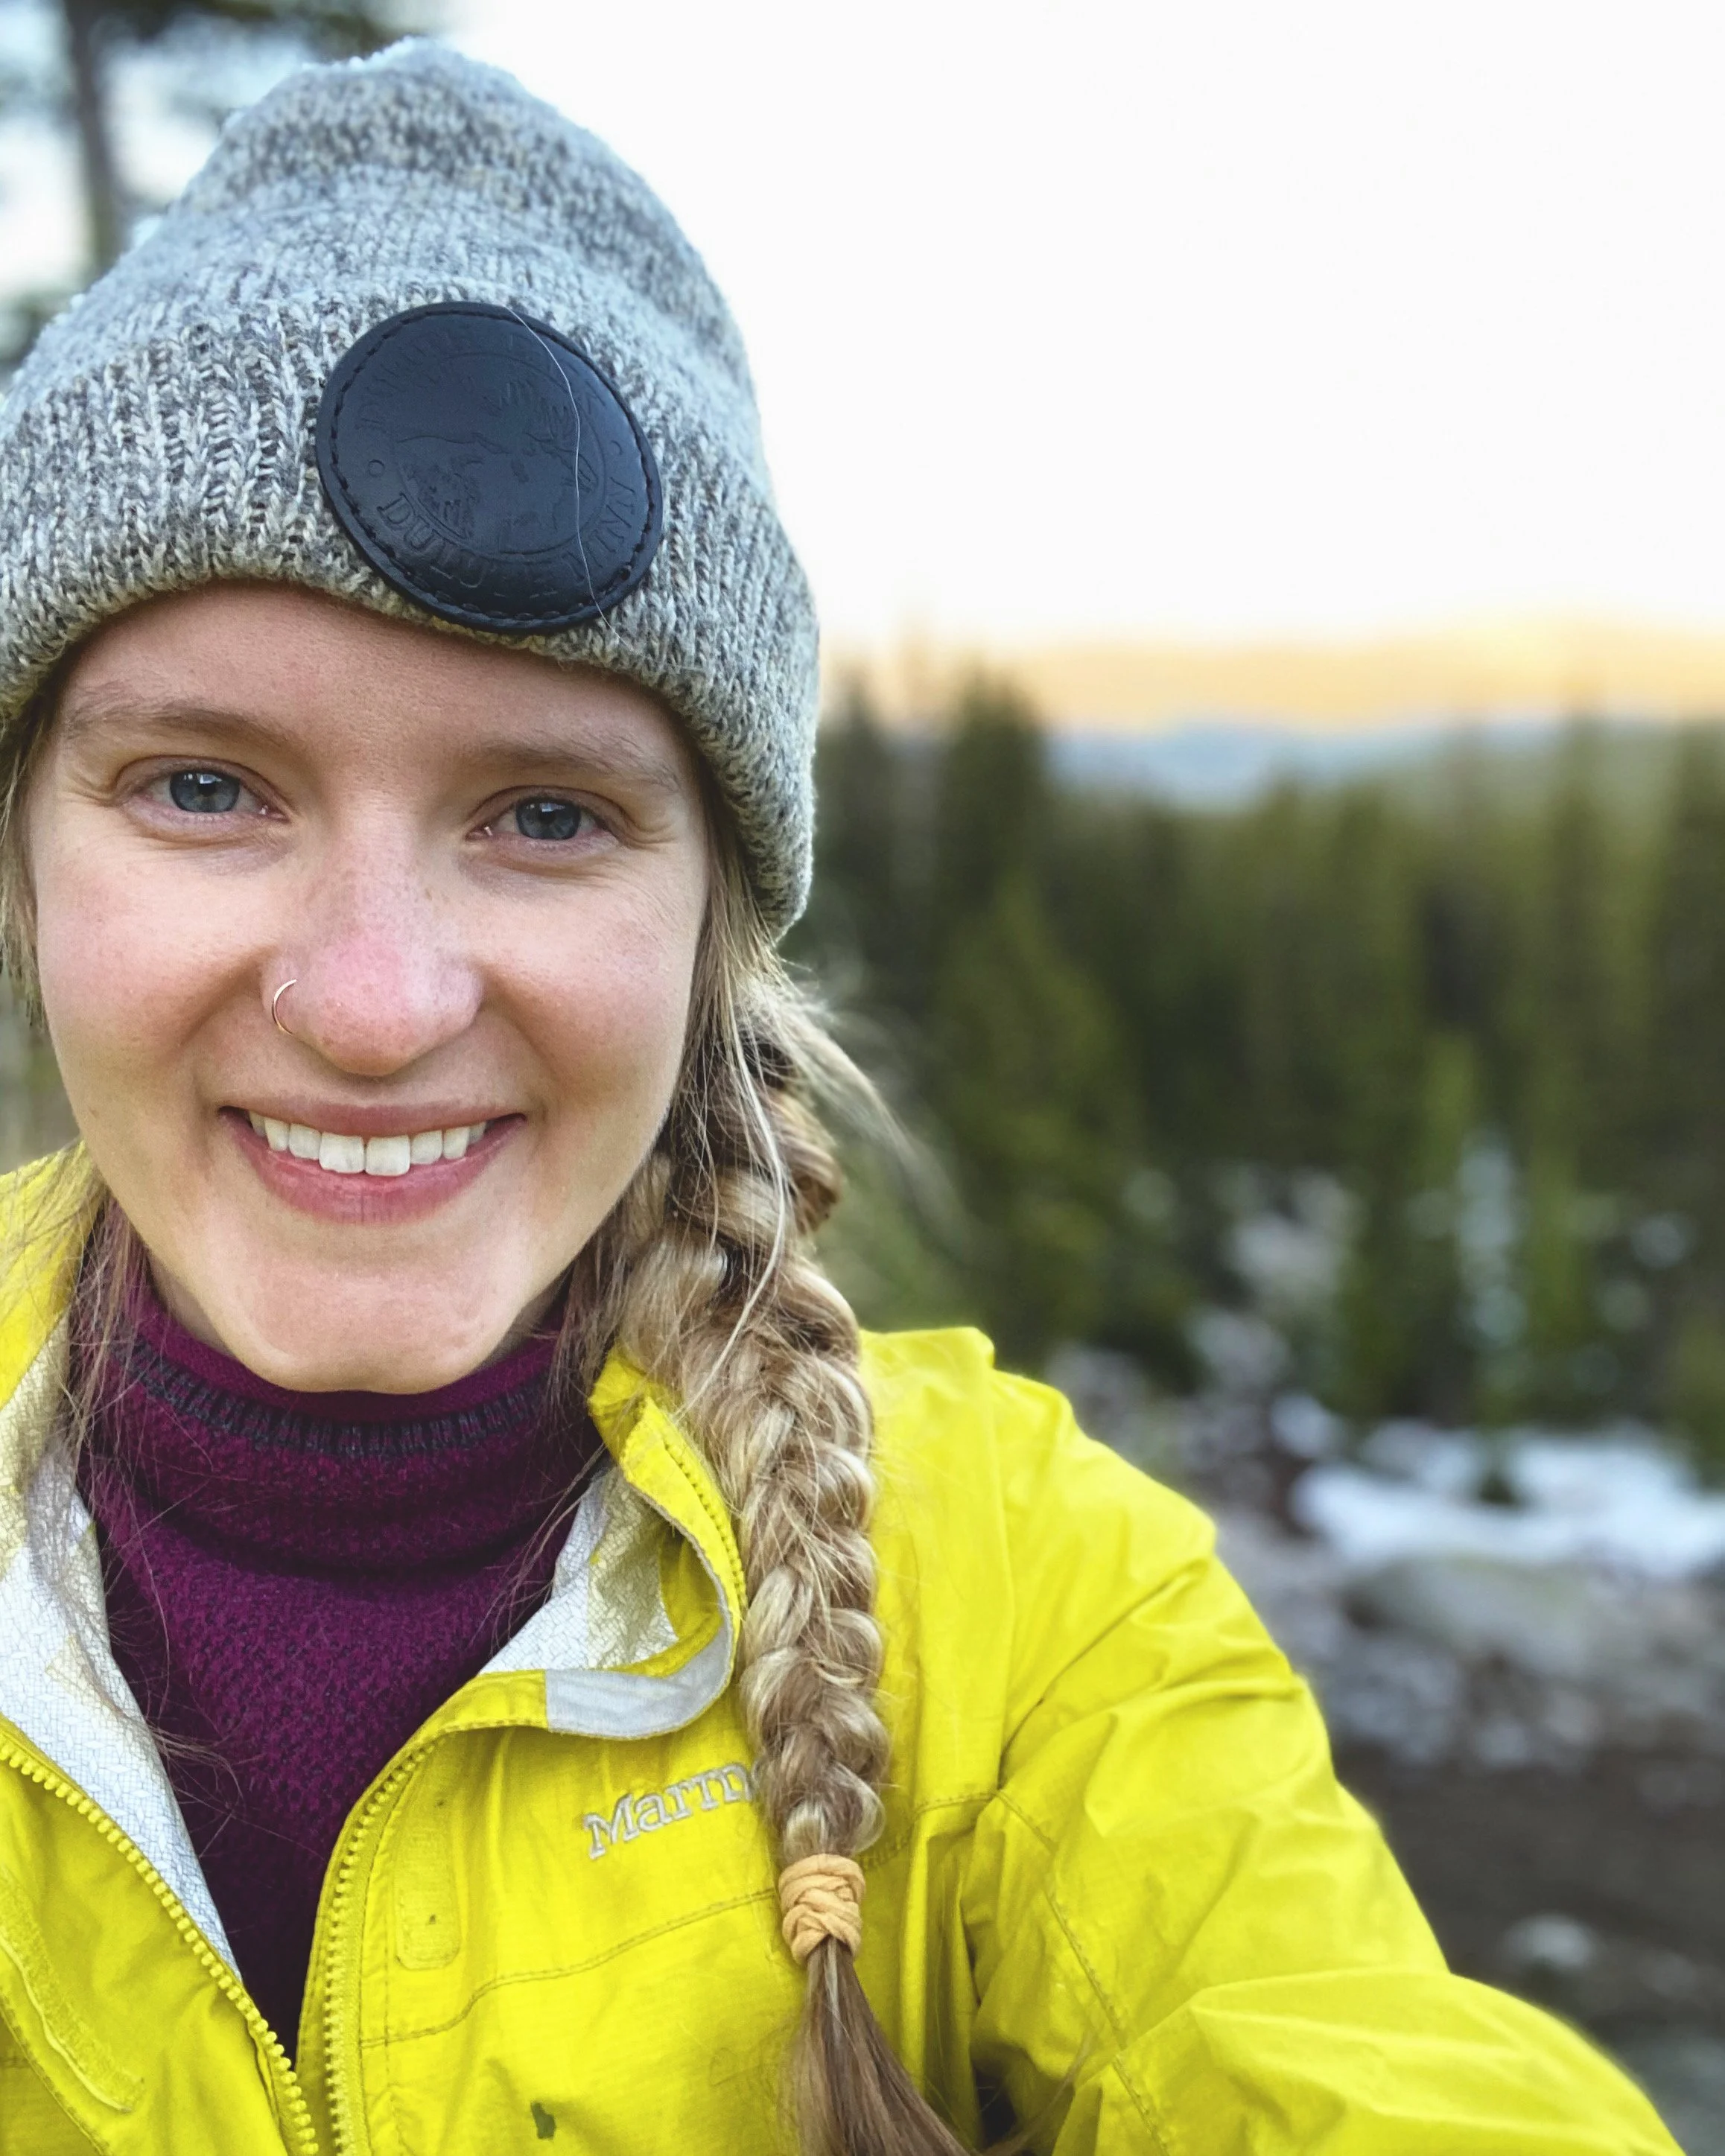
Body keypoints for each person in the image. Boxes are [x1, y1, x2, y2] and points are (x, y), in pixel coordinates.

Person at [0, 40, 1680, 2156]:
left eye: (545, 815)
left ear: (715, 922)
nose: (370, 1001)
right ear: (25, 853)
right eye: (203, 787)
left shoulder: (1023, 1596)